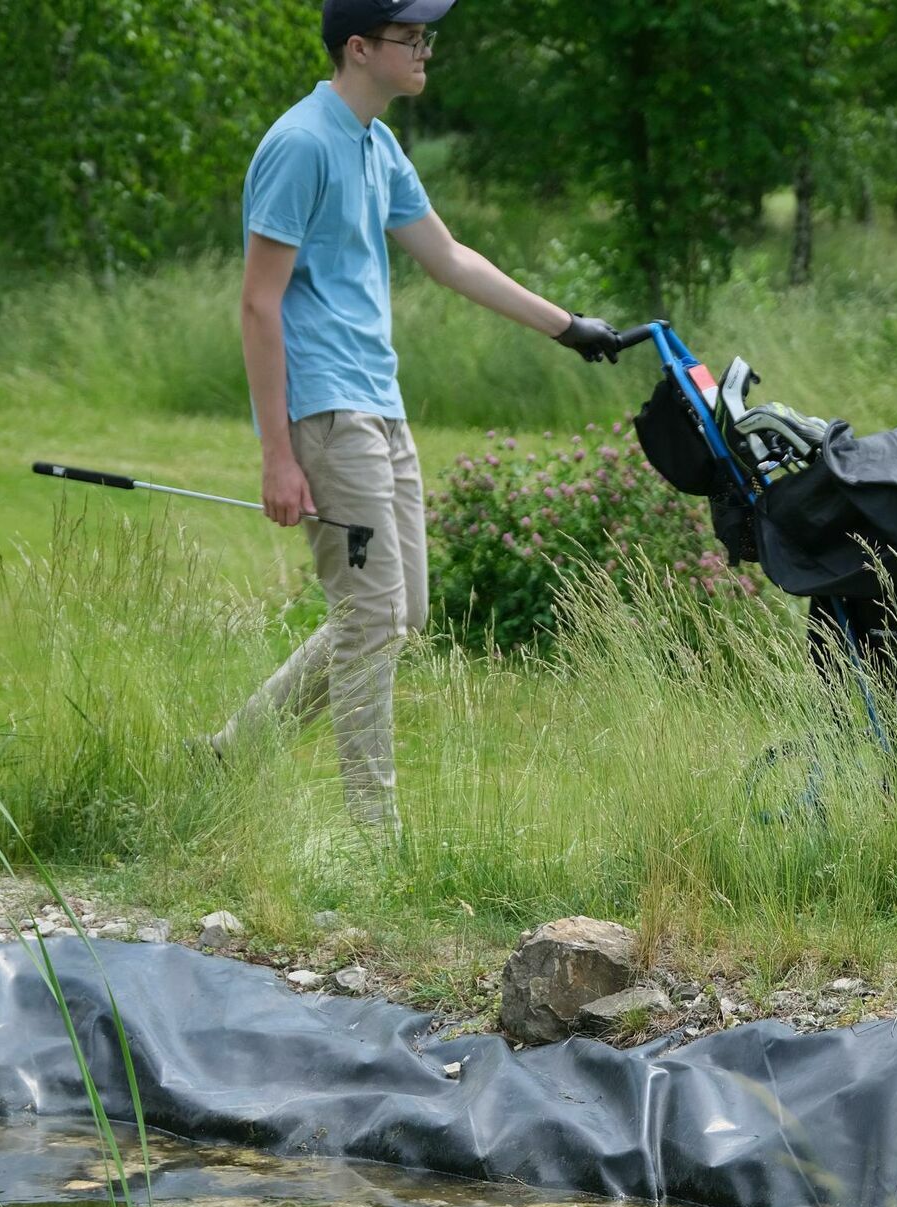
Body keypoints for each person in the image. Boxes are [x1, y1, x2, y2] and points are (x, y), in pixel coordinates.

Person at [210, 0, 620, 835]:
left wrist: (567, 327)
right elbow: (258, 305)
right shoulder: (299, 145)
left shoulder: (376, 142)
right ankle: (376, 841)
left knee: (403, 614)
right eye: (411, 37)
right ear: (360, 48)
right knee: (367, 617)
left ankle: (231, 752)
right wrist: (276, 456)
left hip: (382, 404)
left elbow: (449, 256)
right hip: (326, 409)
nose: (427, 48)